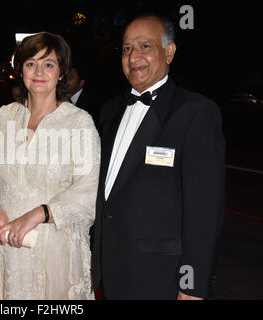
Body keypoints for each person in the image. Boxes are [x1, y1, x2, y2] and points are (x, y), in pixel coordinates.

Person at [91, 14, 225, 300]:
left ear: (169, 52)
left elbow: (204, 210)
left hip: (161, 277)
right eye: (127, 48)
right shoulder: (110, 111)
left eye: (145, 46)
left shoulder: (196, 112)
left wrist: (192, 284)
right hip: (113, 271)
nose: (133, 56)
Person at [0, 32, 100, 299]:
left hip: (53, 247)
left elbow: (89, 190)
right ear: (20, 70)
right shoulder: (1, 118)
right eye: (31, 63)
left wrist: (38, 214)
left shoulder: (79, 123)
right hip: (2, 244)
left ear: (62, 72)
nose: (39, 71)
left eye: (49, 64)